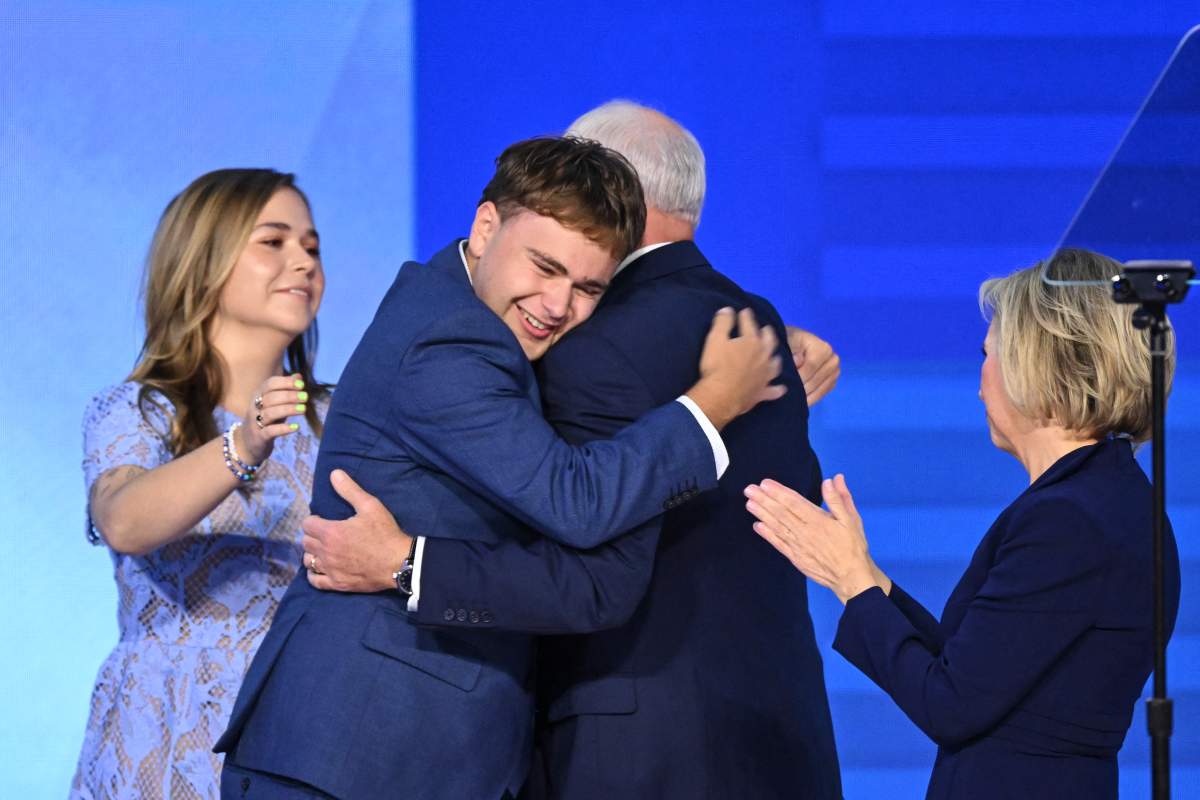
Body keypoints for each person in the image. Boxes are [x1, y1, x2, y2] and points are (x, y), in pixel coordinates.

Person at [215, 135, 787, 800]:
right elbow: (576, 500)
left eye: (587, 288)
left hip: (396, 753)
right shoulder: (448, 344)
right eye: (543, 267)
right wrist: (711, 403)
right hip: (353, 752)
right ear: (486, 228)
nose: (556, 304)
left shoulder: (459, 305)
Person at [745, 248, 1181, 799]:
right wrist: (867, 577)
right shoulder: (1100, 497)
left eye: (989, 353)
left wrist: (849, 581)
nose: (979, 381)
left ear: (1036, 362)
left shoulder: (1069, 518)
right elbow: (975, 664)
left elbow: (950, 703)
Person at [71, 169, 330, 799]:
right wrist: (244, 444)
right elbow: (125, 521)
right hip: (163, 727)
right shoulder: (136, 412)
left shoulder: (340, 423)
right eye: (273, 242)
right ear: (202, 262)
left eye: (312, 248)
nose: (302, 261)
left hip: (297, 727)